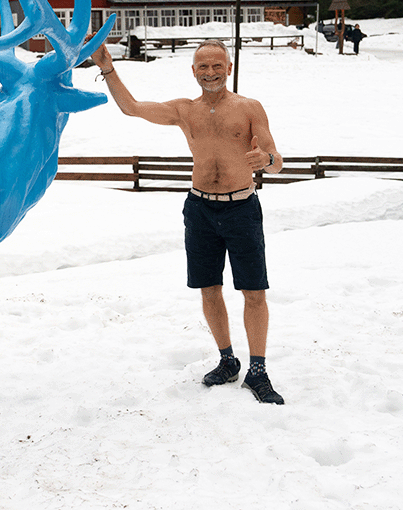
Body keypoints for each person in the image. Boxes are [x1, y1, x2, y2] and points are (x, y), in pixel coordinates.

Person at [91, 39, 285, 404]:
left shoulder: (249, 108)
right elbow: (132, 108)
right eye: (202, 67)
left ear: (228, 68)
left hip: (241, 207)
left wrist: (267, 160)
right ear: (192, 71)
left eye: (216, 66)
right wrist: (108, 68)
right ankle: (228, 360)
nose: (209, 73)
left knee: (253, 292)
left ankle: (257, 370)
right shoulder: (184, 110)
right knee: (208, 288)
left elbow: (276, 159)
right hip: (200, 209)